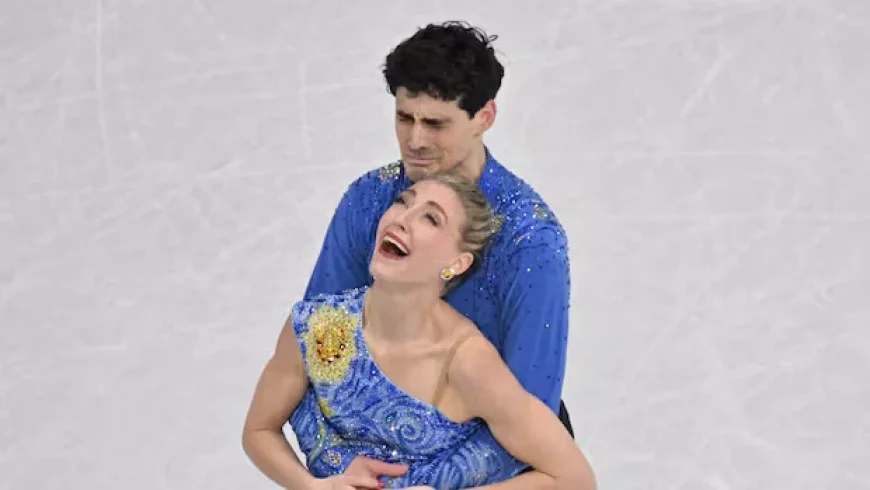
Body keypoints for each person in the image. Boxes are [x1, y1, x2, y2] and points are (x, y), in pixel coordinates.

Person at [303, 20, 578, 477]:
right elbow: (313, 351)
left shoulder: (531, 241)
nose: (415, 141)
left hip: (493, 465)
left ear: (484, 118)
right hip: (374, 455)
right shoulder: (367, 201)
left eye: (435, 123)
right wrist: (339, 462)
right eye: (404, 118)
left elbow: (532, 409)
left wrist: (422, 484)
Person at [243, 171, 596, 489]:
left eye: (430, 219)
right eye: (401, 203)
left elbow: (573, 478)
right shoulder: (317, 325)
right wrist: (314, 488)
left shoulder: (464, 361)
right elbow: (258, 431)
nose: (402, 220)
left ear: (457, 263)